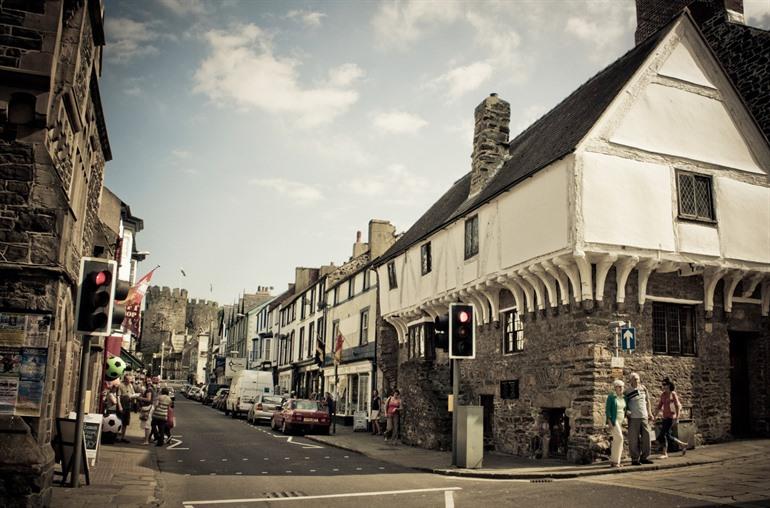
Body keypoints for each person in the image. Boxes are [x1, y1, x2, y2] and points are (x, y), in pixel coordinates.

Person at [624, 372, 654, 465]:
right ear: (631, 380)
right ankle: (635, 459)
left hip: (644, 416)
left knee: (647, 438)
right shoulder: (627, 391)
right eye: (635, 379)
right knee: (634, 439)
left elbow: (647, 401)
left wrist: (650, 413)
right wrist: (627, 412)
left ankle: (645, 457)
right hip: (633, 418)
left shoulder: (644, 388)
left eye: (638, 379)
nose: (637, 380)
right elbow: (624, 404)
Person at [654, 377, 688, 458]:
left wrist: (677, 418)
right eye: (663, 385)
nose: (664, 386)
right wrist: (654, 415)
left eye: (665, 384)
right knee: (668, 435)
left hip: (671, 417)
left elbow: (677, 406)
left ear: (669, 385)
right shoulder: (663, 395)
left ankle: (664, 453)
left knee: (663, 435)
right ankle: (683, 445)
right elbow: (659, 406)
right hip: (665, 417)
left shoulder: (673, 394)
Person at [606, 379, 627, 468]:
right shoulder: (611, 397)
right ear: (616, 388)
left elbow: (624, 408)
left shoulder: (623, 397)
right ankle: (616, 461)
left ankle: (615, 461)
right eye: (620, 387)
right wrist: (609, 421)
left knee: (616, 440)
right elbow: (607, 410)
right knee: (620, 438)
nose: (622, 388)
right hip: (614, 421)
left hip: (621, 420)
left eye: (622, 387)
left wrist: (627, 415)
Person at [117, 374, 136, 443]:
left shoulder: (130, 385)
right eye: (128, 379)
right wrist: (119, 406)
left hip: (128, 405)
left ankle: (123, 437)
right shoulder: (120, 386)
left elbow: (133, 394)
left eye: (130, 379)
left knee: (125, 422)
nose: (130, 381)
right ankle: (116, 436)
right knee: (119, 421)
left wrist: (134, 397)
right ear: (125, 379)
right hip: (122, 404)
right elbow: (118, 396)